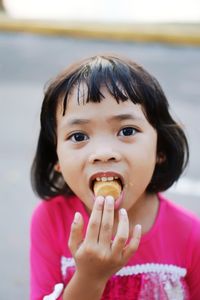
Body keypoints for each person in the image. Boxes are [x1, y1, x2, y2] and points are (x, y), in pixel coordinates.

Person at [30, 54, 200, 300]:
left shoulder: (191, 235)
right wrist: (90, 277)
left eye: (127, 131)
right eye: (78, 136)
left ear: (160, 150)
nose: (103, 154)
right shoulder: (50, 221)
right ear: (56, 159)